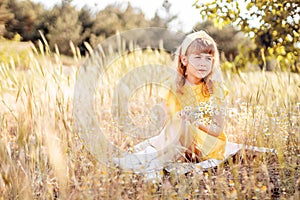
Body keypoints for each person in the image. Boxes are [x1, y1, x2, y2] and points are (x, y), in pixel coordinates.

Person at [113, 30, 229, 172]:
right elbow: (165, 122)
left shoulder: (216, 90)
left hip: (207, 148)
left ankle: (140, 160)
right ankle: (149, 165)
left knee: (182, 123)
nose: (203, 63)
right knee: (177, 124)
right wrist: (175, 119)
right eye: (198, 57)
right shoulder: (174, 87)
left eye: (208, 58)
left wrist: (196, 122)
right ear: (184, 59)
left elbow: (218, 130)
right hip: (181, 143)